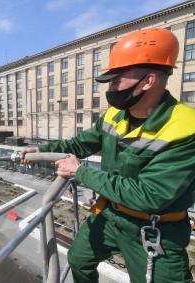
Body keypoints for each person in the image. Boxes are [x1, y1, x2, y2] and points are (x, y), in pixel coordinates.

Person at [21, 28, 195, 282]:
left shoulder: (185, 128)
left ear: (148, 81)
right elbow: (80, 143)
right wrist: (42, 150)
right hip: (111, 214)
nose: (111, 87)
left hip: (155, 228)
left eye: (117, 79)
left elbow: (149, 195)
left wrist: (80, 172)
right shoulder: (114, 115)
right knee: (78, 260)